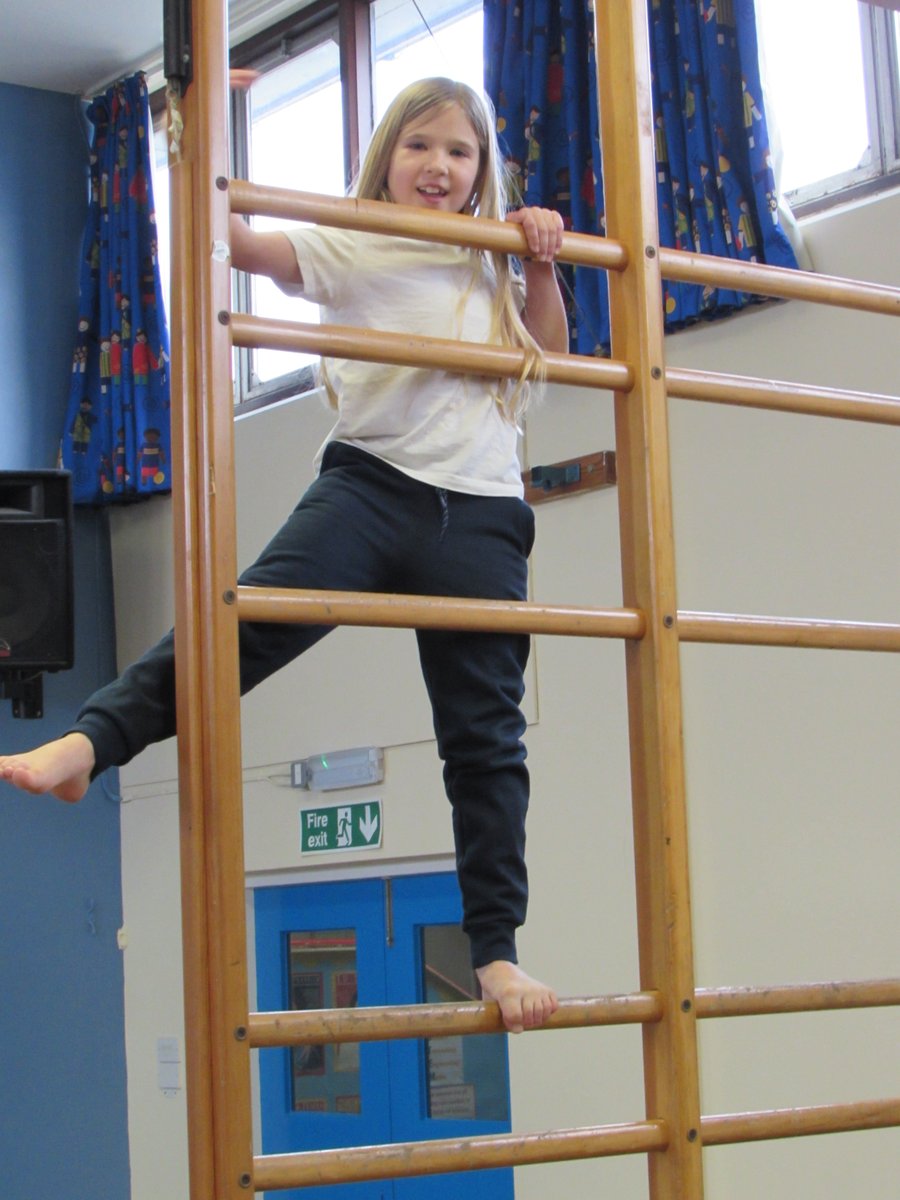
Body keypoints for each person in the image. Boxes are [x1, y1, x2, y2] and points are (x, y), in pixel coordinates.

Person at [0, 77, 568, 1034]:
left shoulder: (490, 258)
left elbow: (549, 350)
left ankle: (497, 953)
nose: (439, 166)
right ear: (388, 158)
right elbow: (237, 241)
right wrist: (206, 125)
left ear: (483, 173)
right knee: (245, 625)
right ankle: (88, 744)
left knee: (486, 737)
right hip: (371, 486)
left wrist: (541, 260)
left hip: (481, 512)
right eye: (420, 146)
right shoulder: (352, 238)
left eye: (461, 153)